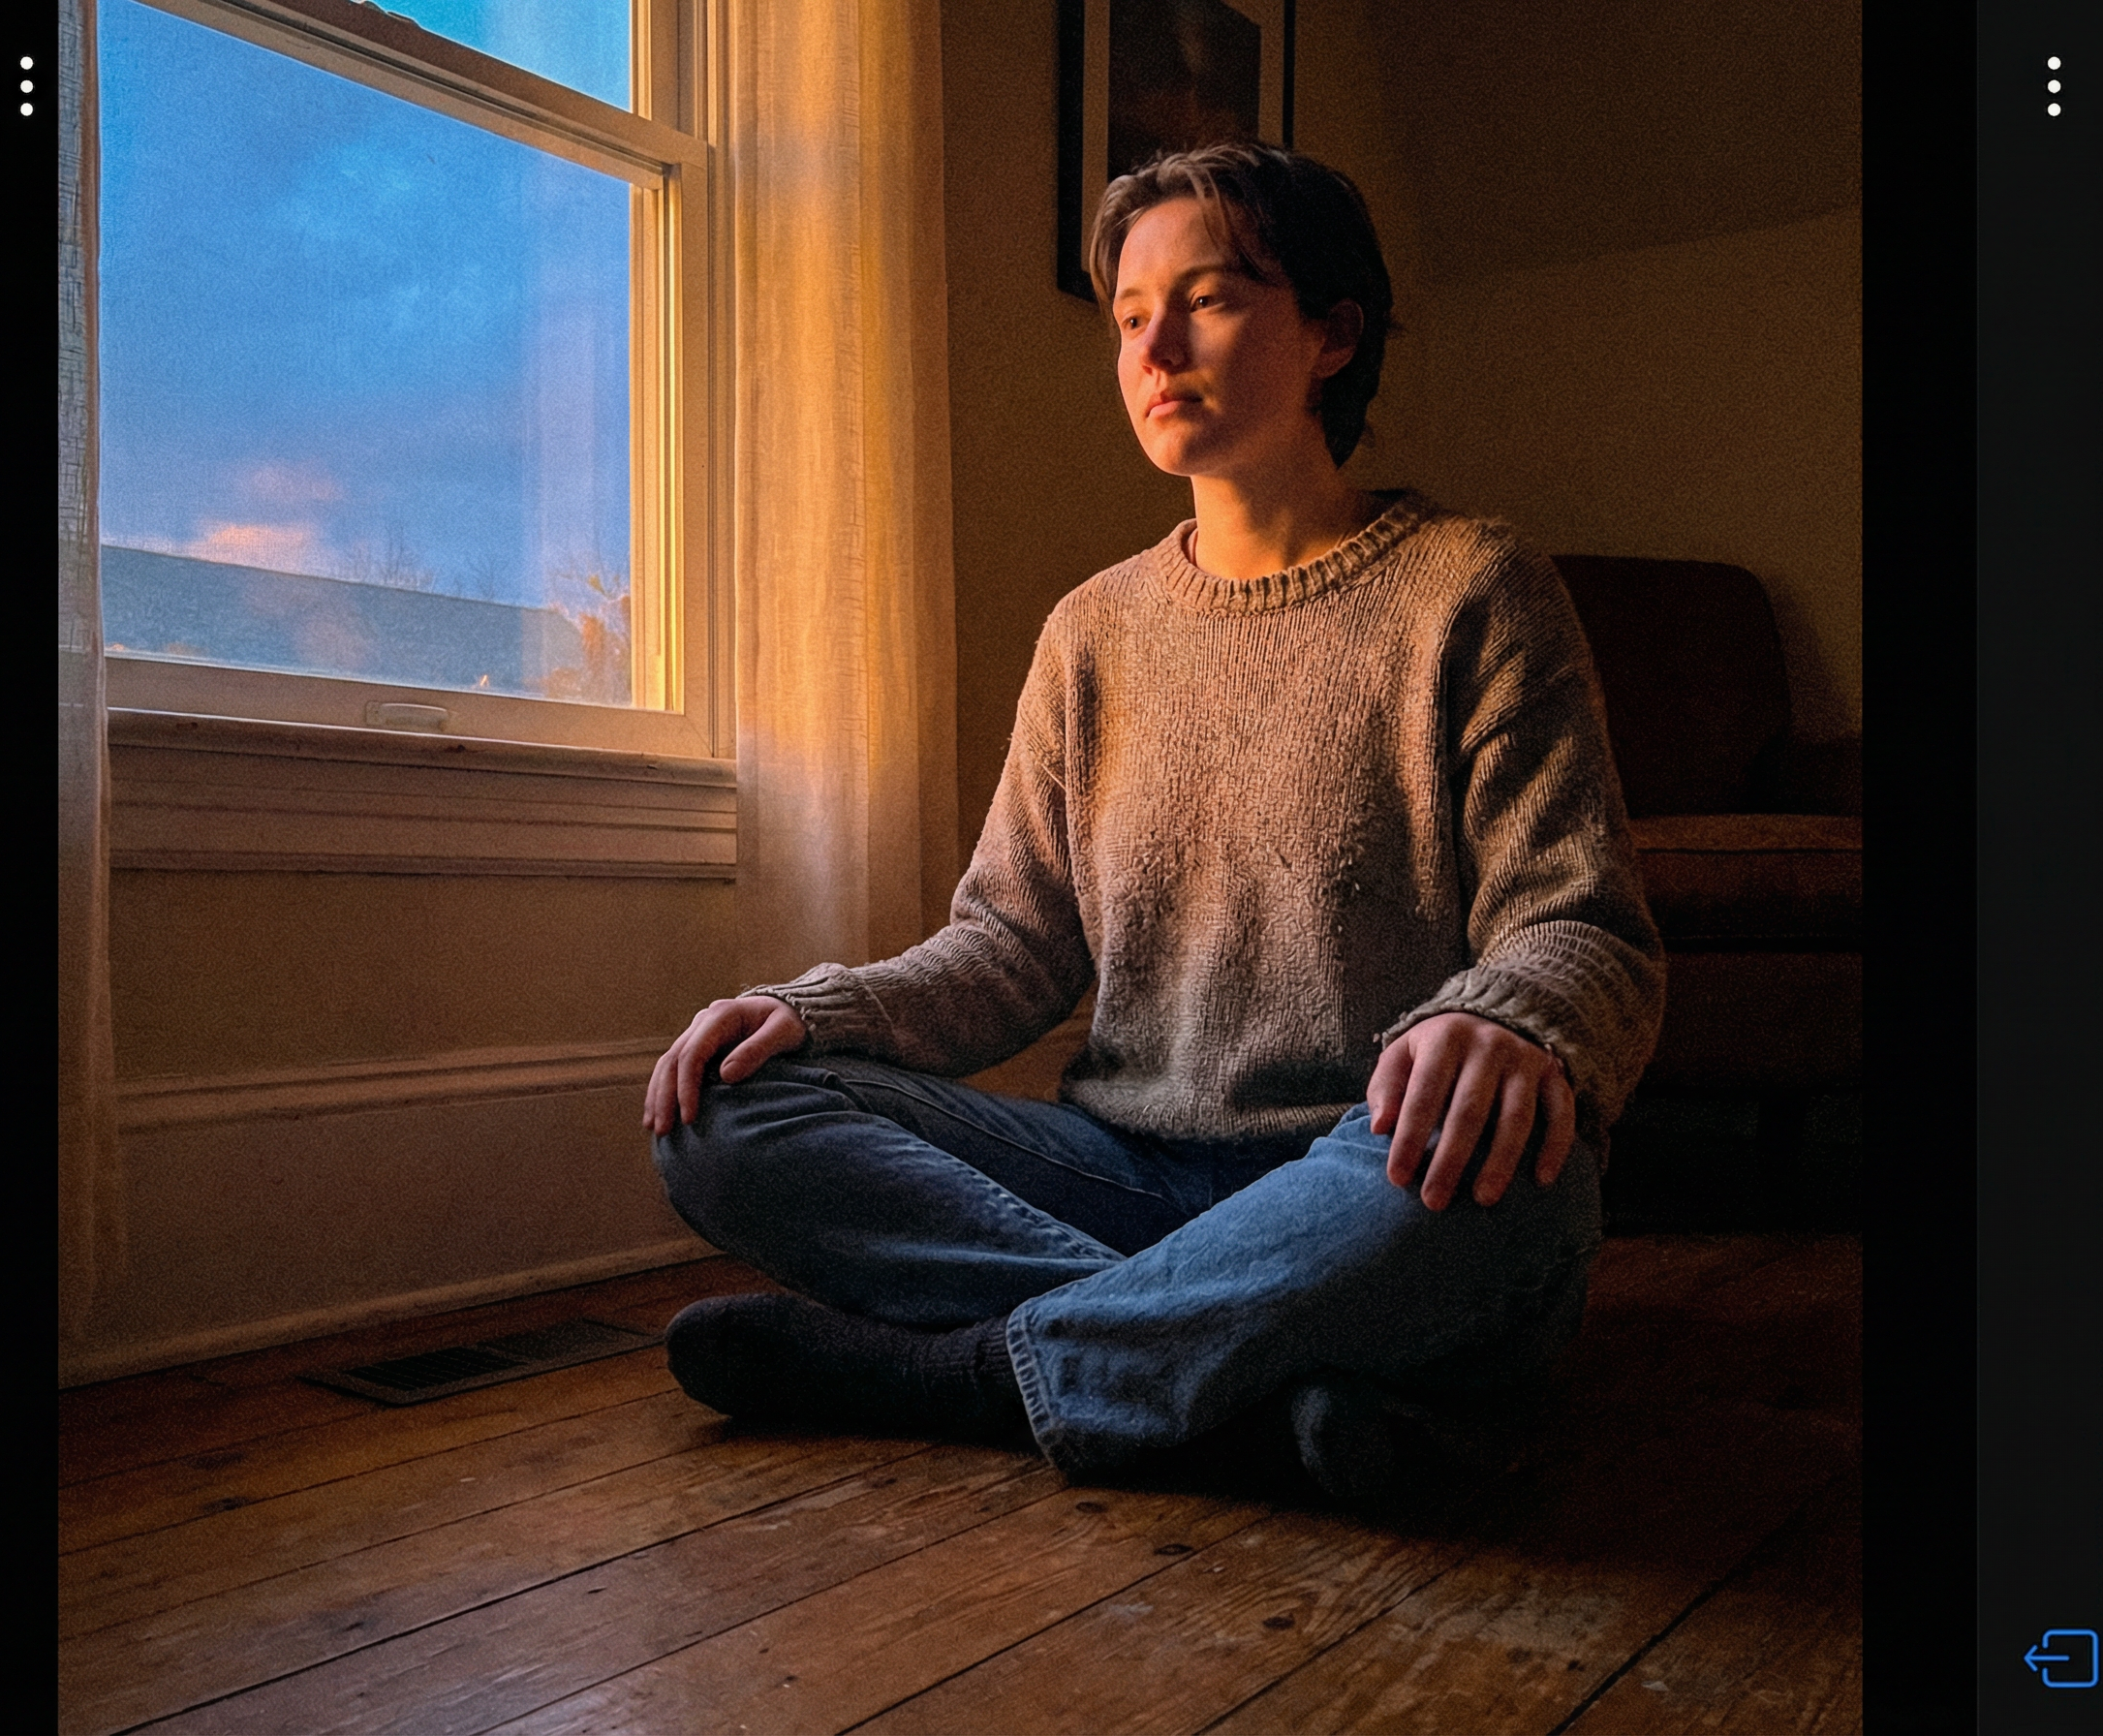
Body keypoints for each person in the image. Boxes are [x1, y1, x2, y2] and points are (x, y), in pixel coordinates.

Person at [643, 141, 1663, 1500]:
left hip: (1375, 1172)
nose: (1155, 347)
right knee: (724, 1117)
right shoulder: (1093, 634)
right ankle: (1259, 1374)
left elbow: (1583, 926)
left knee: (1525, 1188)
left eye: (1211, 298)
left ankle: (970, 1373)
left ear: (1331, 334)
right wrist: (817, 1015)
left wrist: (1510, 1018)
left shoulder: (1473, 589)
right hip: (1124, 1171)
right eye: (1129, 317)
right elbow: (1007, 949)